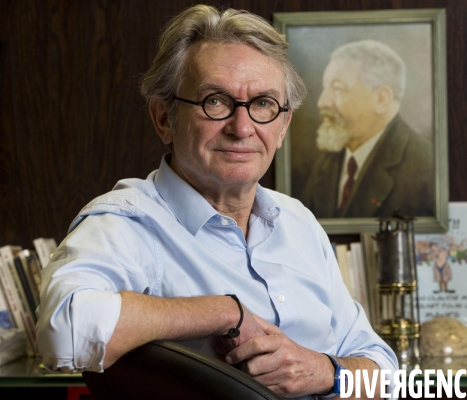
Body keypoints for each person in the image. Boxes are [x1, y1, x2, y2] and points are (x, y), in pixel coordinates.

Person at [35, 5, 398, 400]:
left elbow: (385, 372)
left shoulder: (298, 222)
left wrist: (325, 372)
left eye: (262, 104)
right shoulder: (127, 222)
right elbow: (62, 332)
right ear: (163, 119)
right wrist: (224, 312)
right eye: (215, 101)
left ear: (282, 127)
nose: (242, 128)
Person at [300, 40, 434, 219]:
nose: (322, 102)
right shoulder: (324, 163)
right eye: (326, 87)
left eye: (338, 88)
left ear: (381, 99)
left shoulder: (424, 166)